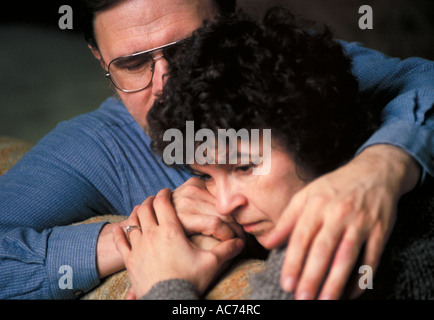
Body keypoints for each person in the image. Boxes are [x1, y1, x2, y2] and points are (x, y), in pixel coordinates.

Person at [0, 0, 433, 299]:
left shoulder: (284, 69)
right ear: (100, 62)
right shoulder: (95, 147)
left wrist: (382, 166)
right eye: (134, 64)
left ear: (232, 24)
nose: (168, 86)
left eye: (189, 49)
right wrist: (142, 235)